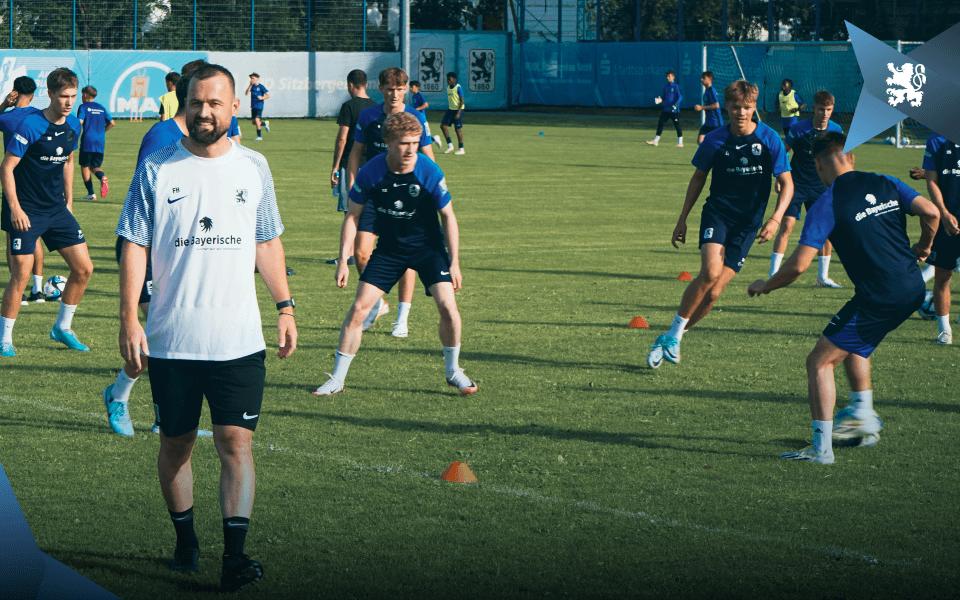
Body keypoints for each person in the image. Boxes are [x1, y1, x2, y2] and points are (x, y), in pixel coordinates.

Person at [117, 63, 295, 590]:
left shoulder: (254, 166)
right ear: (183, 106)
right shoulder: (158, 166)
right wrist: (130, 316)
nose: (204, 112)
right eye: (196, 103)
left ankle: (235, 558)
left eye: (215, 103)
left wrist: (285, 306)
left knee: (235, 442)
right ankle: (185, 539)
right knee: (176, 445)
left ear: (234, 107)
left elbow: (267, 240)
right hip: (172, 338)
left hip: (238, 338)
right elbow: (134, 243)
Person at [748, 131, 939, 463]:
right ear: (851, 157)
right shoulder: (886, 181)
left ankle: (822, 450)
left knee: (819, 361)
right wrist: (924, 246)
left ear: (819, 165)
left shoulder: (827, 203)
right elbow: (931, 212)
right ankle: (862, 415)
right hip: (912, 287)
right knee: (852, 343)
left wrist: (766, 285)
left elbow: (799, 266)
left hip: (882, 296)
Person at [313, 112, 476, 396]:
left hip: (429, 250)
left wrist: (455, 262)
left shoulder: (429, 171)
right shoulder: (371, 172)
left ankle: (454, 371)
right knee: (357, 311)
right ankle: (337, 379)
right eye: (403, 143)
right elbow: (352, 217)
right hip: (389, 251)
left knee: (449, 308)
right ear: (388, 142)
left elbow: (448, 216)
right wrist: (343, 260)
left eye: (415, 142)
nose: (411, 149)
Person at [646, 79, 793, 369]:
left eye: (747, 107)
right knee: (710, 272)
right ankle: (673, 336)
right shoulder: (714, 139)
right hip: (718, 214)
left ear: (755, 108)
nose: (741, 113)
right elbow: (698, 179)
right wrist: (682, 218)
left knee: (713, 293)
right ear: (726, 106)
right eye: (736, 107)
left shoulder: (770, 139)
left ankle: (674, 336)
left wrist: (775, 218)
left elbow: (787, 184)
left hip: (749, 224)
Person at [102, 61, 211, 438]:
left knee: (179, 333)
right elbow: (142, 198)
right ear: (190, 95)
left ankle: (162, 413)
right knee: (161, 335)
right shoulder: (161, 135)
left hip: (182, 250)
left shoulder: (209, 140)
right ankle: (121, 397)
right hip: (146, 248)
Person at [1, 68, 94, 358]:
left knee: (84, 269)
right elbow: (7, 168)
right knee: (21, 275)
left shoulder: (75, 126)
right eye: (63, 96)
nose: (68, 102)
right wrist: (15, 208)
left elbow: (67, 160)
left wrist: (69, 202)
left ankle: (62, 328)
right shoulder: (31, 125)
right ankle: (4, 338)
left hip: (56, 209)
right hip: (26, 210)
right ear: (50, 93)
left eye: (72, 96)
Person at [347, 67, 436, 338]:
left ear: (406, 89)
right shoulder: (368, 116)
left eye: (400, 89)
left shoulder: (417, 116)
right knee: (361, 252)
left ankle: (402, 317)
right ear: (380, 89)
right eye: (389, 89)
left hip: (409, 196)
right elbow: (356, 152)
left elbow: (428, 157)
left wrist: (428, 192)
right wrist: (352, 185)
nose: (394, 94)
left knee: (405, 256)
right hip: (375, 193)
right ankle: (377, 303)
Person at [768, 90, 843, 287]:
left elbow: (841, 159)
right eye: (821, 109)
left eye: (828, 109)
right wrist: (779, 176)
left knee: (825, 231)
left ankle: (823, 277)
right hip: (796, 185)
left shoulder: (836, 131)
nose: (825, 113)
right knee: (787, 226)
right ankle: (773, 274)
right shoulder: (798, 128)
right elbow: (783, 151)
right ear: (813, 109)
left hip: (821, 186)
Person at [0, 76, 46, 304]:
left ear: (14, 92)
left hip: (14, 182)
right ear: (34, 94)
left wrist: (4, 104)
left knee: (13, 234)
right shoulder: (39, 116)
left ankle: (17, 289)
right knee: (34, 233)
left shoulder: (6, 118)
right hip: (38, 182)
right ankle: (38, 290)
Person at [921, 133, 960, 344]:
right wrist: (944, 214)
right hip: (947, 220)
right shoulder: (935, 140)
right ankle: (945, 331)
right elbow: (931, 181)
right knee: (943, 277)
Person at [330, 69, 376, 218]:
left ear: (350, 85)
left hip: (349, 164)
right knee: (367, 212)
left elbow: (342, 139)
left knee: (350, 212)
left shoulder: (348, 106)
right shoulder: (375, 107)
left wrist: (335, 167)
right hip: (370, 164)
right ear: (366, 85)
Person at [76, 86, 114, 200]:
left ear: (86, 95)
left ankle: (91, 193)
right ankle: (102, 177)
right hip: (100, 141)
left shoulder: (83, 107)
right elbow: (112, 123)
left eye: (82, 95)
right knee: (95, 166)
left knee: (85, 166)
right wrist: (102, 131)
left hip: (88, 140)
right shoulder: (101, 108)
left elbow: (80, 122)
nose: (82, 97)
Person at [647, 70, 683, 147]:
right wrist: (660, 100)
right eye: (667, 76)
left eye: (669, 76)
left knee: (677, 125)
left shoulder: (675, 86)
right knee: (661, 123)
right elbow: (664, 97)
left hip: (674, 110)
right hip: (666, 110)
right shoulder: (666, 87)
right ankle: (655, 141)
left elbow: (680, 96)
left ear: (673, 77)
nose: (667, 78)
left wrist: (676, 104)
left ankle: (680, 142)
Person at [409, 80, 441, 147]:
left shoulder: (419, 95)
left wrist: (415, 110)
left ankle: (434, 139)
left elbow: (426, 105)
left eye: (412, 87)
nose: (411, 88)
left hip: (421, 117)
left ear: (417, 87)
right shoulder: (413, 96)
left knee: (423, 134)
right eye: (410, 87)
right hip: (416, 117)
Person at [693, 71, 721, 145]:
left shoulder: (711, 90)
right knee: (700, 141)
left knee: (717, 144)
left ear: (710, 79)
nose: (702, 79)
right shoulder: (706, 91)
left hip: (716, 123)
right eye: (701, 78)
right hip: (708, 123)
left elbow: (716, 105)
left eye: (704, 78)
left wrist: (701, 108)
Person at [440, 72, 465, 154]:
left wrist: (458, 113)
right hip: (451, 110)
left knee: (457, 129)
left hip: (458, 110)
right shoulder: (448, 88)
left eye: (450, 80)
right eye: (447, 80)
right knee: (443, 126)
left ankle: (461, 149)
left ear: (454, 80)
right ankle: (450, 145)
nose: (448, 81)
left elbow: (462, 101)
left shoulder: (458, 88)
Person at [244, 73, 269, 141]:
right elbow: (246, 93)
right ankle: (264, 123)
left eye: (253, 78)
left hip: (259, 106)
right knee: (254, 122)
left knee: (257, 120)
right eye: (251, 78)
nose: (252, 80)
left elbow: (267, 95)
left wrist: (262, 98)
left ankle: (259, 136)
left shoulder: (261, 87)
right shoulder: (252, 87)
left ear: (257, 79)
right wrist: (249, 85)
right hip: (253, 106)